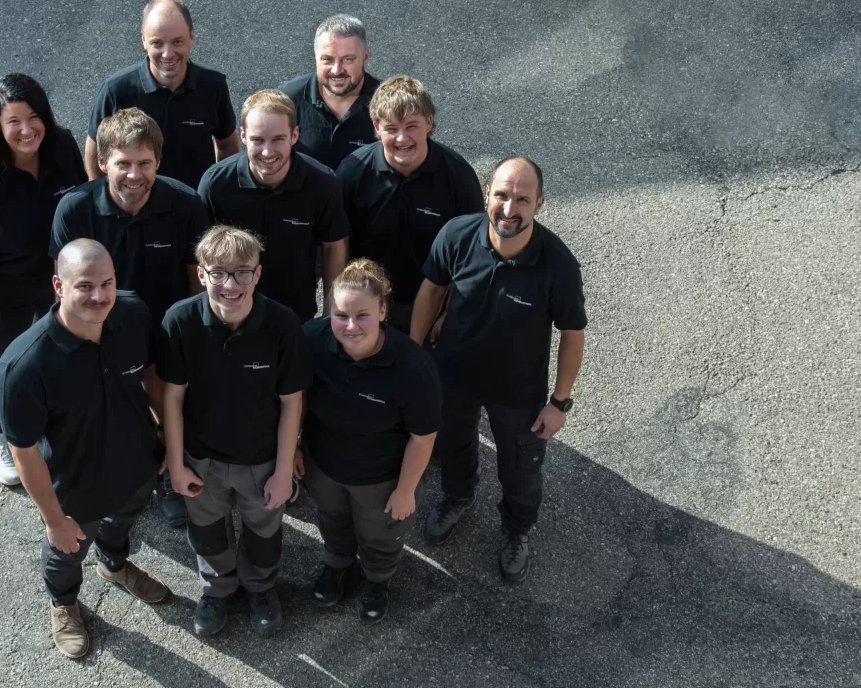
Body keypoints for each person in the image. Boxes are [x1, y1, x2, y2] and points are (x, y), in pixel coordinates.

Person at [409, 156, 587, 584]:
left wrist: (559, 402)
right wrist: (415, 361)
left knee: (520, 470)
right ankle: (457, 496)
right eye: (503, 195)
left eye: (522, 200)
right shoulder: (456, 235)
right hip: (453, 376)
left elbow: (572, 335)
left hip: (518, 393)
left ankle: (517, 530)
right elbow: (431, 291)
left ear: (539, 204)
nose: (510, 209)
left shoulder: (558, 265)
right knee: (452, 447)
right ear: (487, 194)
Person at [0, 240, 169, 660]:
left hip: (138, 463)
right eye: (85, 286)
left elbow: (151, 375)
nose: (98, 296)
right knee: (67, 549)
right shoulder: (24, 366)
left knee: (122, 523)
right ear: (58, 285)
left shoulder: (131, 314)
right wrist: (54, 519)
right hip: (76, 485)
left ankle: (113, 566)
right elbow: (24, 452)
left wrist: (166, 436)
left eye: (106, 283)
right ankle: (64, 602)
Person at [50, 107, 209, 528]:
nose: (134, 175)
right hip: (101, 330)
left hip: (162, 327)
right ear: (103, 163)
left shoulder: (186, 204)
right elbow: (64, 286)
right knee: (112, 413)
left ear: (158, 160)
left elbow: (197, 279)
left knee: (170, 403)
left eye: (144, 163)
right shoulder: (74, 210)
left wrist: (198, 337)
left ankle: (172, 475)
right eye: (123, 164)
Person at [158, 226, 312, 638]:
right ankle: (217, 589)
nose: (231, 285)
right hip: (201, 459)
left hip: (261, 459)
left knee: (264, 531)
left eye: (243, 272)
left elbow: (291, 402)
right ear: (201, 275)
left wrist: (283, 472)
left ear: (258, 274)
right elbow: (171, 399)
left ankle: (261, 588)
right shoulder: (180, 321)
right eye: (219, 273)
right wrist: (175, 465)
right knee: (207, 532)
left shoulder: (282, 325)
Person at [0, 73, 86, 487]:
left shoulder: (62, 145)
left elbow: (79, 199)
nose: (27, 130)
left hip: (56, 279)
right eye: (14, 122)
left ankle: (55, 420)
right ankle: (2, 434)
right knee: (5, 364)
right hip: (4, 287)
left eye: (33, 117)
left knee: (61, 351)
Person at [297, 259, 441, 622]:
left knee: (380, 534)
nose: (350, 326)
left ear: (383, 310)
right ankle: (337, 563)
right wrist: (296, 447)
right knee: (332, 518)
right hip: (324, 465)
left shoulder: (412, 366)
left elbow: (422, 437)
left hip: (382, 477)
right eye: (340, 314)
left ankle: (378, 578)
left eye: (362, 315)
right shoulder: (311, 340)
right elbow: (295, 399)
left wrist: (406, 490)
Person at [336, 75, 482, 333]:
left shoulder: (459, 177)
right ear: (376, 128)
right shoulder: (352, 172)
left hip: (431, 303)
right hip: (365, 304)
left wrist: (450, 312)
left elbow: (471, 257)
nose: (402, 139)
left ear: (429, 122)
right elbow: (336, 244)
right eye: (391, 128)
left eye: (411, 126)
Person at [198, 89, 350, 322]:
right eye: (258, 140)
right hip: (230, 313)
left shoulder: (322, 183)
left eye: (278, 139)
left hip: (295, 313)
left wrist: (331, 313)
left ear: (295, 135)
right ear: (243, 136)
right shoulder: (216, 185)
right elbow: (200, 255)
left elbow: (333, 247)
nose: (267, 152)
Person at [84, 0, 238, 190]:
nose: (167, 53)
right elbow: (95, 151)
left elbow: (227, 145)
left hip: (194, 205)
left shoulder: (213, 85)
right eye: (157, 43)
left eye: (177, 42)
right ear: (143, 40)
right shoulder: (116, 90)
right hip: (137, 205)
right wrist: (103, 196)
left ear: (192, 37)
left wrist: (217, 191)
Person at [278, 14, 380, 170]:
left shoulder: (387, 102)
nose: (337, 70)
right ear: (316, 57)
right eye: (327, 59)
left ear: (365, 57)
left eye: (348, 59)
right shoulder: (286, 100)